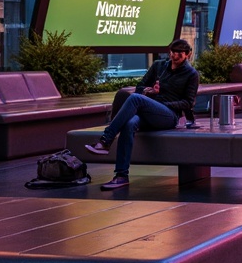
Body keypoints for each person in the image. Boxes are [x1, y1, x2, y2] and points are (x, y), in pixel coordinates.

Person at [85, 39, 199, 190]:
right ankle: (121, 176)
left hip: (169, 115)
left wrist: (162, 104)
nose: (174, 55)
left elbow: (187, 103)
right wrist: (148, 91)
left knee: (134, 98)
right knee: (130, 123)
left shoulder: (191, 74)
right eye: (172, 51)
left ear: (187, 54)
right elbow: (140, 87)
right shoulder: (159, 66)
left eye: (179, 53)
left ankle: (106, 140)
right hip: (149, 111)